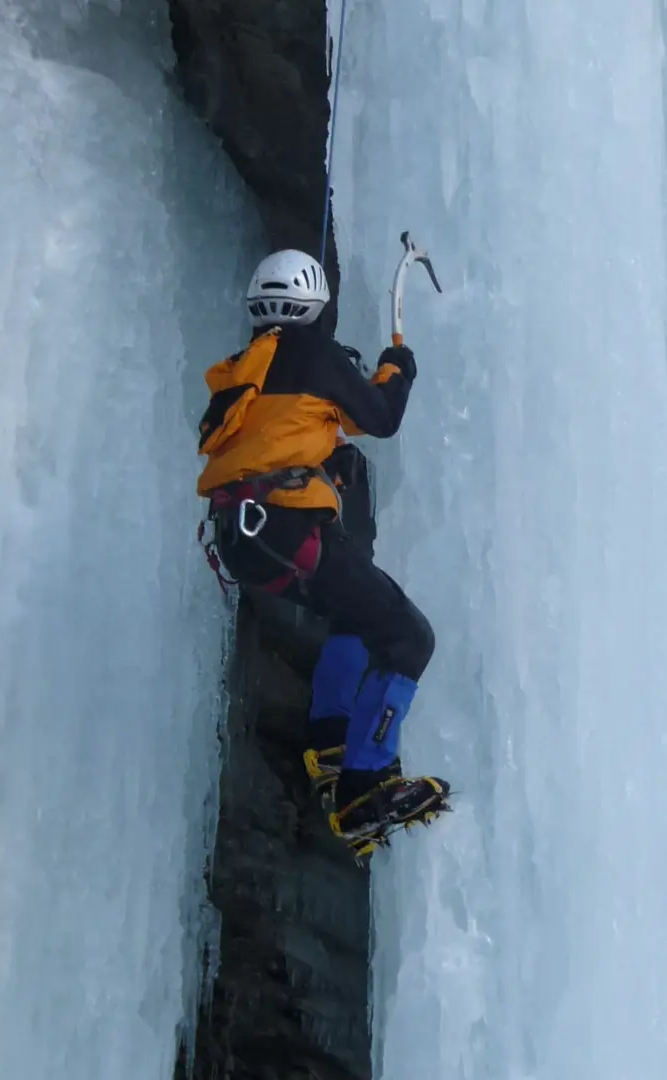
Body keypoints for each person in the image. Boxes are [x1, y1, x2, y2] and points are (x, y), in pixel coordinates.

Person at [196, 248, 450, 858]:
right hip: (287, 532)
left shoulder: (240, 371)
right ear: (317, 305)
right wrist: (397, 366)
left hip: (244, 541)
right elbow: (380, 416)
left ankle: (334, 739)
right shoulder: (315, 355)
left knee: (355, 615)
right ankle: (366, 785)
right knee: (408, 637)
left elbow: (286, 428)